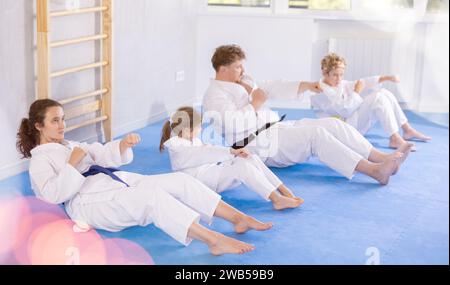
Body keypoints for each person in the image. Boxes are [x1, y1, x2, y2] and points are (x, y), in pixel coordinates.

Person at [17, 99, 274, 256]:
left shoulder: (69, 144)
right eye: (55, 121)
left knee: (181, 181)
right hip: (88, 204)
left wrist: (123, 146)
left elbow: (101, 153)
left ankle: (239, 218)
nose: (62, 125)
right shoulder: (40, 160)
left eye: (63, 119)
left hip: (113, 183)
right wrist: (72, 167)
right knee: (151, 197)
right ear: (39, 126)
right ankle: (213, 240)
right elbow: (50, 196)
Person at [202, 45, 413, 185]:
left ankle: (381, 157)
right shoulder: (214, 95)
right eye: (238, 66)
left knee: (331, 124)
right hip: (256, 143)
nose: (242, 69)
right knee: (315, 135)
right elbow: (232, 125)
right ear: (222, 69)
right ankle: (374, 171)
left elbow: (271, 87)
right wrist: (255, 104)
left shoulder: (242, 82)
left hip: (275, 127)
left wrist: (307, 86)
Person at [160, 106, 304, 211]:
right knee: (242, 167)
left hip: (210, 173)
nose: (201, 129)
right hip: (203, 182)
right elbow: (205, 152)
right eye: (199, 127)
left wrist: (233, 154)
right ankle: (276, 199)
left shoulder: (189, 140)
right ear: (188, 130)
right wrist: (231, 151)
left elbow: (206, 150)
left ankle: (282, 189)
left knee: (249, 158)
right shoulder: (178, 148)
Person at [310, 53, 431, 150]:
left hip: (352, 123)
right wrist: (356, 92)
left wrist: (387, 77)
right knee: (378, 98)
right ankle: (394, 138)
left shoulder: (340, 84)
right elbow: (344, 111)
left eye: (341, 74)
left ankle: (407, 129)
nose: (339, 79)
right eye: (335, 75)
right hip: (342, 132)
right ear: (325, 73)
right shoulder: (319, 92)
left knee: (384, 93)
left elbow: (362, 82)